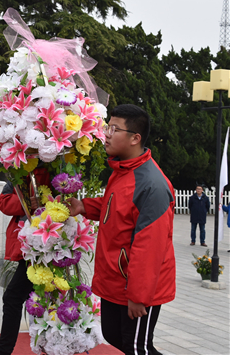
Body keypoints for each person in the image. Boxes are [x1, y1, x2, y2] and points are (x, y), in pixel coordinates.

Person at [68, 104, 175, 355]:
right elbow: (113, 209)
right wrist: (83, 206)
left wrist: (139, 295)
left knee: (136, 348)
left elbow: (150, 247)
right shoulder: (121, 171)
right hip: (114, 280)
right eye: (108, 126)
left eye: (114, 129)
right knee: (114, 336)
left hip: (137, 286)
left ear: (135, 138)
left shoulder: (152, 185)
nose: (106, 133)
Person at [0, 168, 49, 355]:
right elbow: (4, 203)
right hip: (29, 244)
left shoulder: (56, 166)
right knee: (28, 298)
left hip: (50, 242)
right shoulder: (19, 170)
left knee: (14, 297)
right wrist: (27, 202)